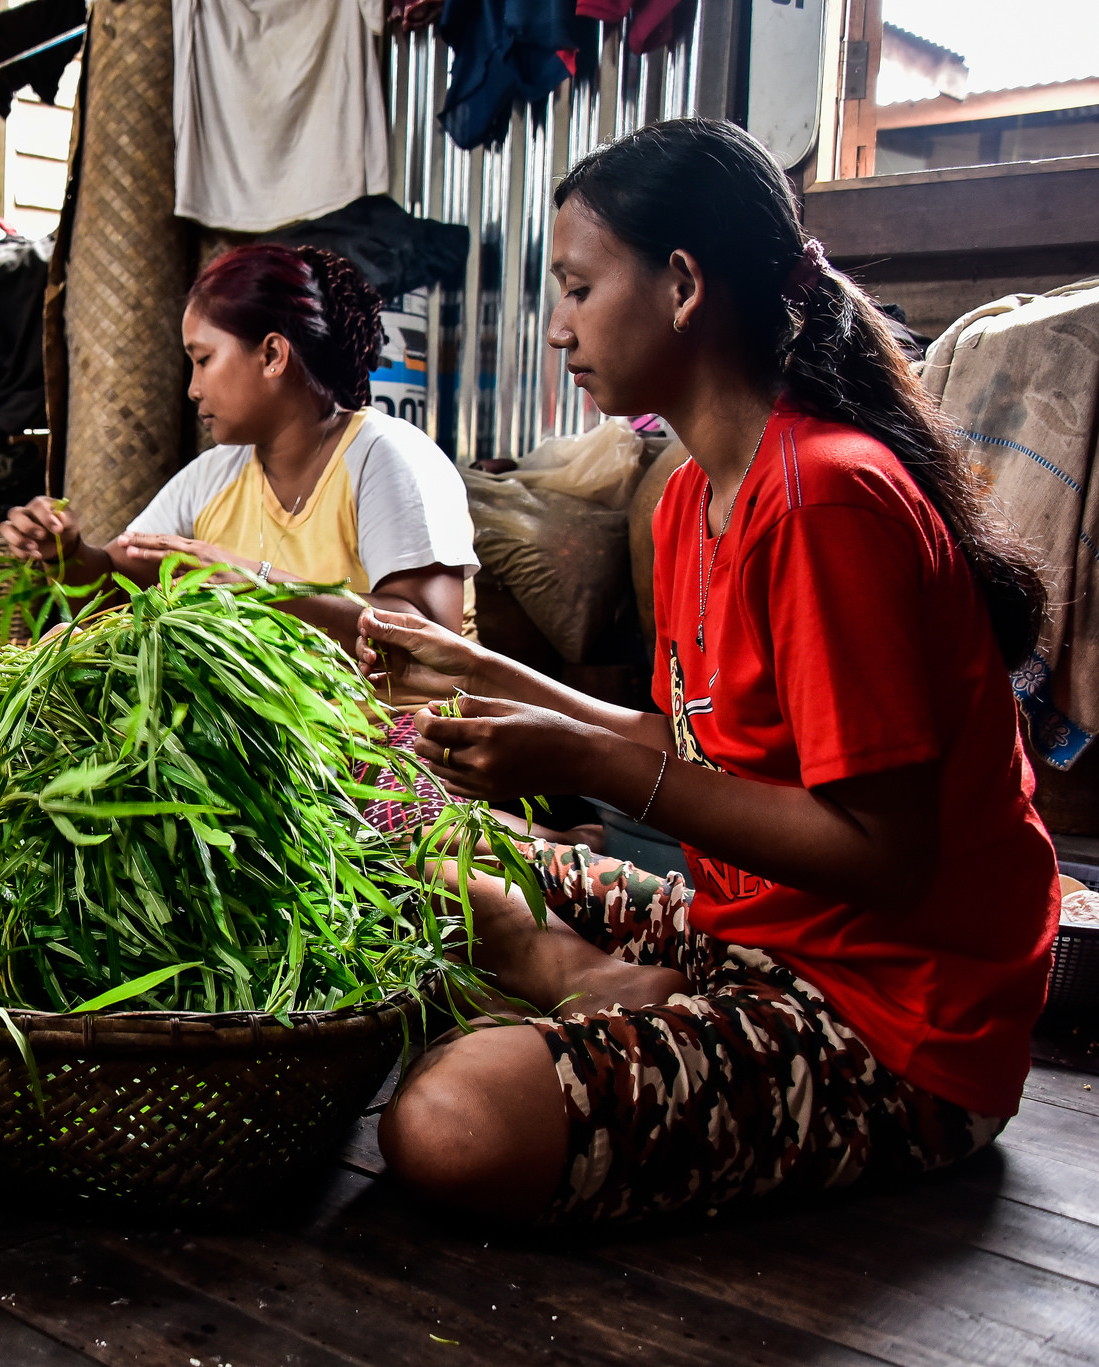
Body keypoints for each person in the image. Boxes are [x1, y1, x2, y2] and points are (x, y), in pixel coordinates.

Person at [357, 119, 1059, 1223]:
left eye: (578, 288)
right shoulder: (692, 493)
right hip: (754, 934)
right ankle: (589, 976)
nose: (556, 328)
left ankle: (564, 975)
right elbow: (686, 739)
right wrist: (478, 668)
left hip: (893, 1022)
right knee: (399, 828)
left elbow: (882, 851)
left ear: (681, 284)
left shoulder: (824, 497)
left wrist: (580, 757)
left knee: (446, 1121)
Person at [0, 243, 477, 641]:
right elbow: (116, 585)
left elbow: (431, 636)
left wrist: (254, 580)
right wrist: (68, 552)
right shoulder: (214, 476)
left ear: (271, 354)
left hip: (397, 737)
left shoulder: (387, 459)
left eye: (203, 359)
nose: (192, 388)